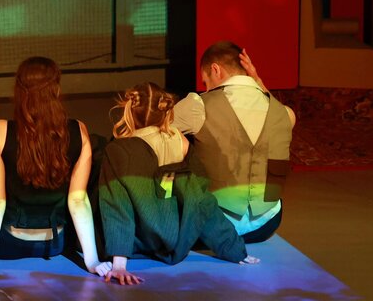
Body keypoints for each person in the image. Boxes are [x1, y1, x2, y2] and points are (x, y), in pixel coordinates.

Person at [98, 82, 255, 285]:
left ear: (129, 110)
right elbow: (201, 201)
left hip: (140, 242)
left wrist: (119, 265)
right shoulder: (181, 141)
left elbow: (117, 206)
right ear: (165, 110)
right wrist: (234, 249)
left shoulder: (119, 150)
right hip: (177, 242)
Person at [0, 57, 111, 281]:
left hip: (9, 244)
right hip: (55, 244)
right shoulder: (79, 131)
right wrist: (92, 261)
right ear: (56, 90)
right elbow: (78, 201)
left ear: (19, 91)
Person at [190, 41, 296, 244]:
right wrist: (257, 80)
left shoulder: (199, 105)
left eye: (205, 82)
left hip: (212, 227)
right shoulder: (283, 114)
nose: (206, 88)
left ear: (215, 70)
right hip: (267, 225)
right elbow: (284, 115)